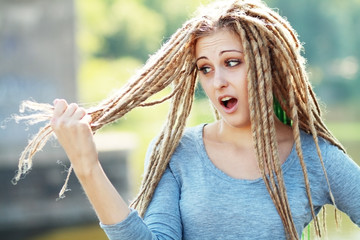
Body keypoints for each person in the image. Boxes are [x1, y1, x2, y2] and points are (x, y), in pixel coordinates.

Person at [14, 0, 360, 239]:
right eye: (205, 69)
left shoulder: (313, 158)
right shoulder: (177, 151)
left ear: (268, 67)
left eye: (232, 62)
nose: (217, 81)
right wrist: (87, 167)